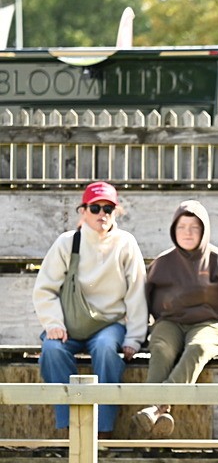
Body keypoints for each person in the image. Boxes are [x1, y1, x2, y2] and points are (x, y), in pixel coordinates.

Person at [33, 181, 148, 438]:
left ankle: (103, 431)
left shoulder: (126, 243)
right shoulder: (67, 243)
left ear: (115, 212)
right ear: (82, 211)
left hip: (109, 324)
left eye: (108, 208)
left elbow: (137, 292)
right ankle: (69, 428)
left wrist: (134, 338)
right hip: (70, 325)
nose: (102, 214)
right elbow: (45, 289)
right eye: (95, 208)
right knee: (52, 351)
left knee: (108, 350)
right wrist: (53, 323)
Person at [134, 200, 218, 437]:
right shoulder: (162, 262)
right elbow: (142, 301)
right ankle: (160, 410)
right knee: (160, 348)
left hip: (209, 323)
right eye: (182, 227)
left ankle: (156, 406)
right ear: (173, 230)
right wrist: (135, 335)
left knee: (198, 347)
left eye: (194, 227)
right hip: (169, 323)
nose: (187, 233)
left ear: (204, 230)